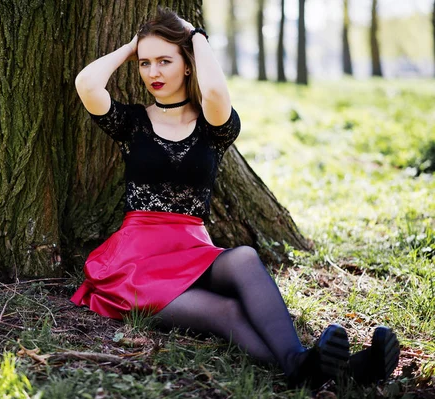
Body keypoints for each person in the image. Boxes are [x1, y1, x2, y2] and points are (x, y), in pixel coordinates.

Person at [70, 7, 399, 389]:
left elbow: (213, 91)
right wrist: (132, 45)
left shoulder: (214, 126)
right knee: (224, 311)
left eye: (164, 61)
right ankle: (315, 368)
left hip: (192, 247)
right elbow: (88, 84)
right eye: (145, 64)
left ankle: (315, 366)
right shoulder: (131, 123)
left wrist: (197, 37)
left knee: (243, 257)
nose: (153, 73)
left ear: (188, 65)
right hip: (136, 264)